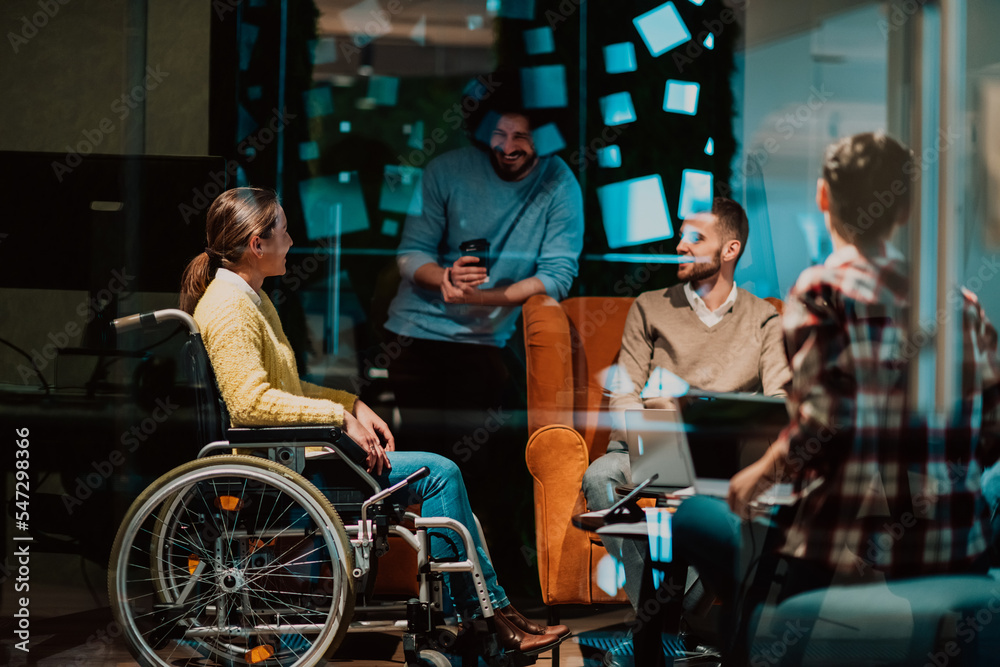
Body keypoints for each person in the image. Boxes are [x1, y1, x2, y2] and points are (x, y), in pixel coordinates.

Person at [178, 186, 570, 654]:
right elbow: (250, 404)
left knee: (444, 478)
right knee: (439, 473)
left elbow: (290, 390)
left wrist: (353, 405)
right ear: (257, 245)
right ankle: (479, 622)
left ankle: (494, 614)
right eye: (283, 230)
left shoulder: (250, 298)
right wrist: (340, 418)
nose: (292, 240)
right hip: (281, 474)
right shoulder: (230, 307)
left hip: (293, 460)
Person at [672, 132, 1000, 663]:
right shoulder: (958, 301)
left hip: (840, 537)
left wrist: (759, 473)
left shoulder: (822, 290)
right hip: (955, 545)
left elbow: (825, 425)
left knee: (699, 523)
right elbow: (993, 424)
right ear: (908, 207)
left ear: (823, 197)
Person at [581, 196, 792, 610]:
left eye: (695, 237)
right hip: (650, 451)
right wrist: (663, 437)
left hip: (722, 461)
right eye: (681, 235)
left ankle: (669, 622)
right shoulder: (650, 307)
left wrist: (701, 431)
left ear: (730, 250)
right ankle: (658, 622)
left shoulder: (765, 319)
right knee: (600, 477)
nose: (679, 245)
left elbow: (779, 402)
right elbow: (624, 392)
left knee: (737, 497)